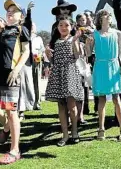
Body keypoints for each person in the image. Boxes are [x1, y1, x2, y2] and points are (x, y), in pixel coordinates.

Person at [0, 0, 30, 165]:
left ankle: (15, 150)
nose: (10, 12)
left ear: (21, 16)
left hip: (10, 74)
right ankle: (7, 127)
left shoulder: (22, 30)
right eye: (8, 10)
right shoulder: (2, 31)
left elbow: (27, 51)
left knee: (11, 111)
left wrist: (16, 69)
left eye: (14, 10)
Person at [86, 9, 121, 141]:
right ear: (100, 19)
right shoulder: (94, 34)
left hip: (114, 65)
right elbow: (88, 54)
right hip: (100, 67)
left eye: (109, 15)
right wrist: (87, 44)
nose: (108, 17)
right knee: (101, 99)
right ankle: (101, 129)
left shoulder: (117, 33)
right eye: (105, 15)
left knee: (116, 98)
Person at [45, 16, 84, 147]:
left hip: (70, 72)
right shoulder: (54, 41)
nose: (63, 27)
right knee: (61, 105)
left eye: (66, 25)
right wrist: (48, 54)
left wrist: (76, 40)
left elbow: (77, 55)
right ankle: (65, 134)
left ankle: (74, 132)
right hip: (58, 73)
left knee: (71, 105)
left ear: (71, 27)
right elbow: (52, 61)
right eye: (61, 25)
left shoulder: (74, 39)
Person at [31, 22, 45, 110]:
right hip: (25, 62)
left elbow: (42, 50)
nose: (31, 27)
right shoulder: (24, 36)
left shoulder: (38, 38)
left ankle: (37, 102)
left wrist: (39, 55)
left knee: (37, 83)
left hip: (36, 61)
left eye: (33, 26)